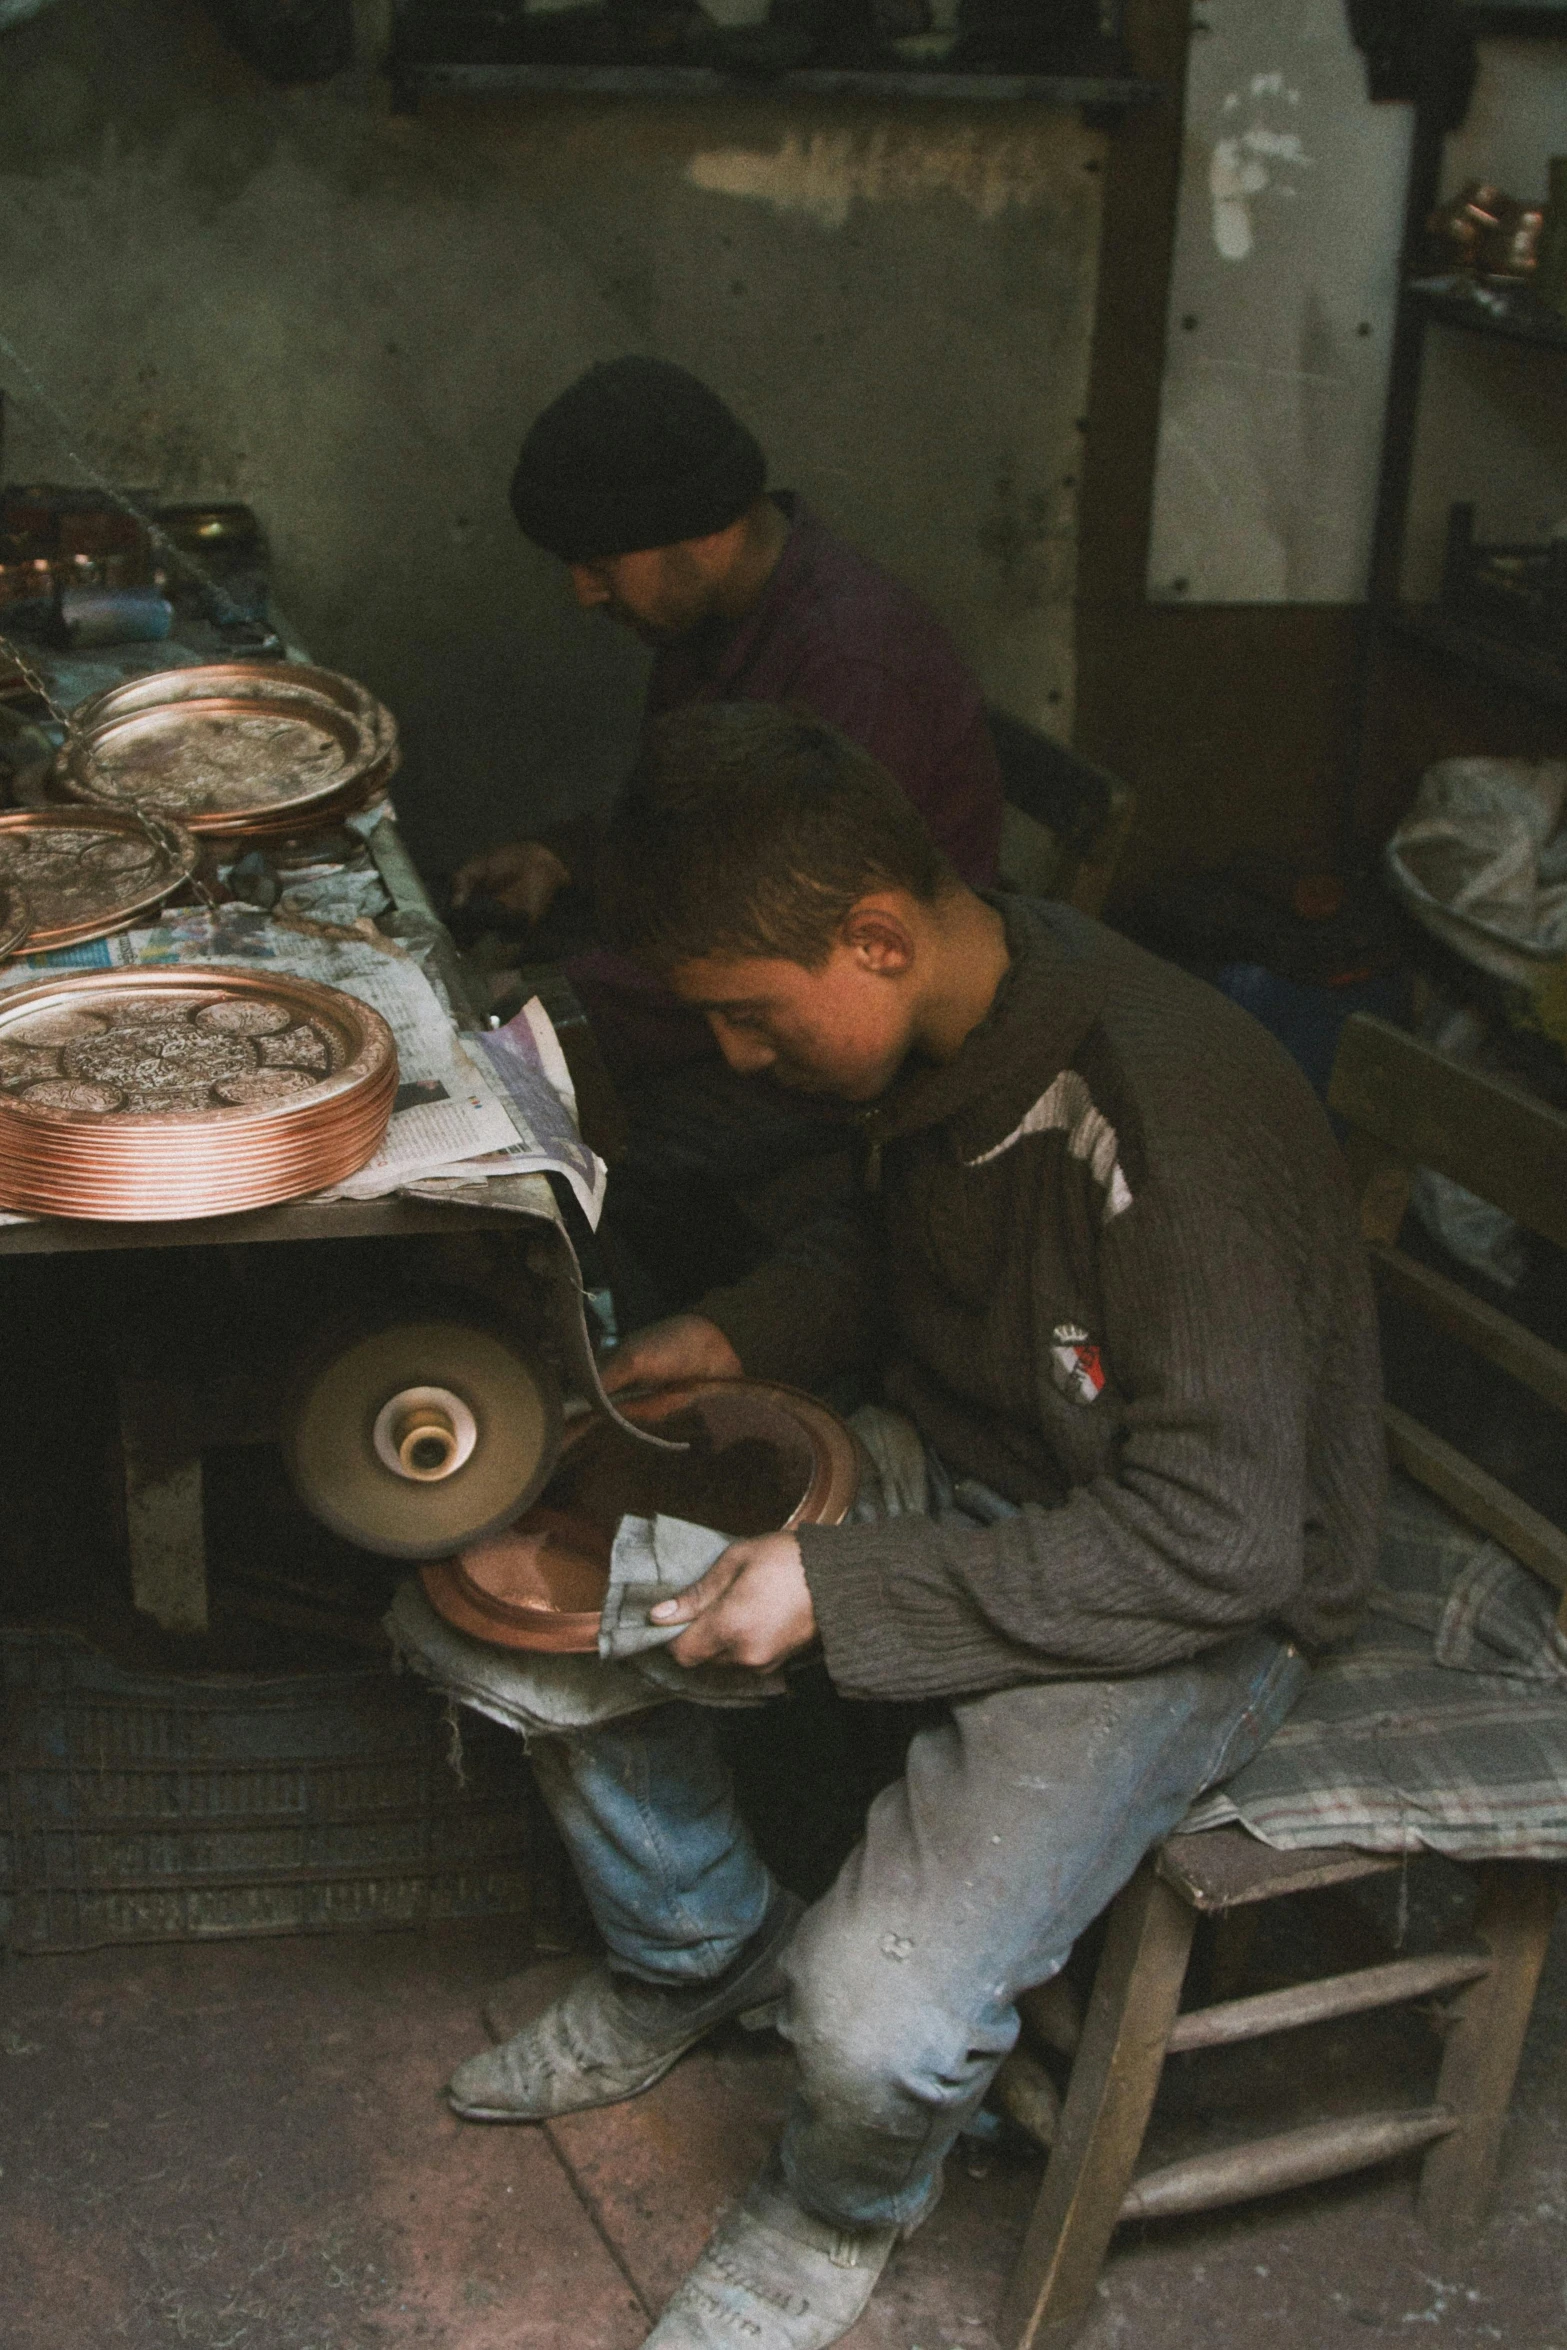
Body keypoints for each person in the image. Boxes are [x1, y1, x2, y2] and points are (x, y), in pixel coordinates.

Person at [413, 702, 1382, 2350]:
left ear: (872, 935)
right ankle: (694, 1947)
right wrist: (743, 1331)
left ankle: (833, 2206)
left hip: (1183, 1583)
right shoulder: (959, 1008)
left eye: (747, 1019)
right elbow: (893, 1258)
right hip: (983, 1468)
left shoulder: (1168, 1120)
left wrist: (838, 1583)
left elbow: (1217, 1546)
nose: (733, 1058)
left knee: (875, 2019)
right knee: (521, 1591)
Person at [450, 357, 1004, 1089]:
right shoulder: (709, 620)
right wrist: (565, 857)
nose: (584, 593)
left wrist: (536, 1011)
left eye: (600, 563)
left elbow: (775, 948)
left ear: (706, 533)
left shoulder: (850, 668)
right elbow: (698, 829)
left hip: (834, 1051)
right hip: (739, 980)